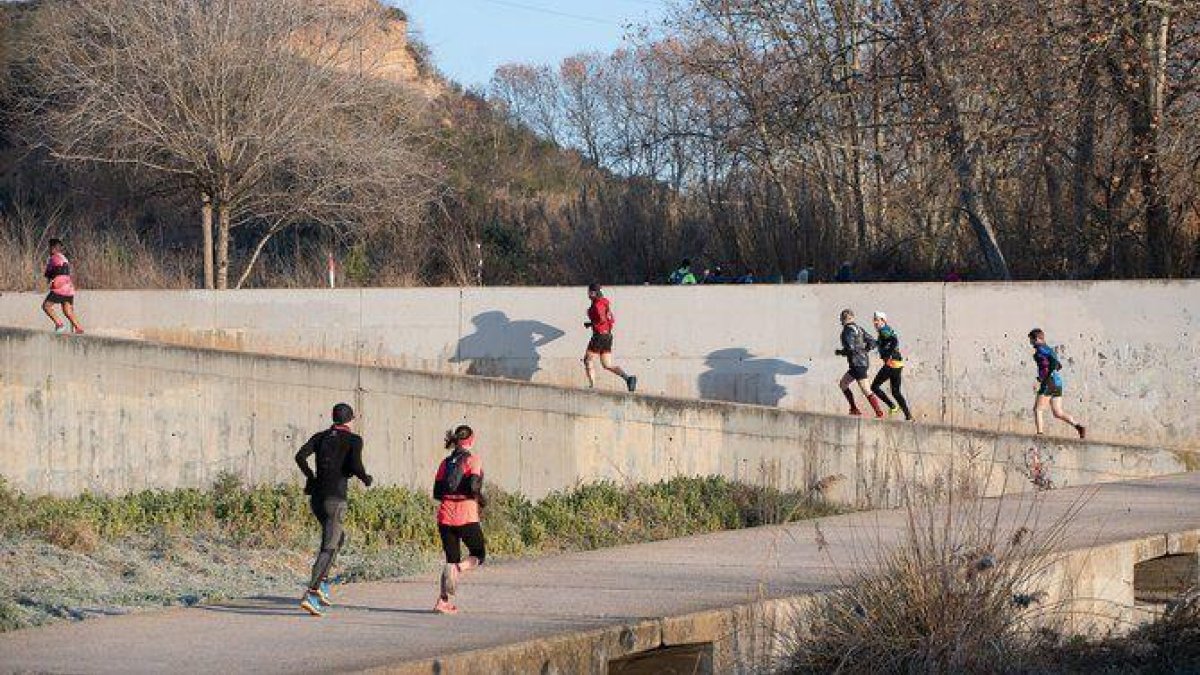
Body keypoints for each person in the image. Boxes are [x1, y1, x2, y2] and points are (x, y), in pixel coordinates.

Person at [294, 402, 373, 616]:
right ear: (350, 419)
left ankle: (323, 583)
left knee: (338, 538)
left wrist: (310, 476)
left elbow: (300, 456)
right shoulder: (354, 440)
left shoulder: (320, 437)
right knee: (329, 546)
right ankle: (311, 592)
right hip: (335, 499)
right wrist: (366, 479)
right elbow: (356, 465)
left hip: (317, 499)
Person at [433, 425, 487, 614]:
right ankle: (459, 567)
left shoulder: (444, 463)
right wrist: (482, 501)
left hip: (445, 515)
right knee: (479, 554)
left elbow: (437, 492)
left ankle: (442, 601)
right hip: (466, 515)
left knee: (450, 559)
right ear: (471, 440)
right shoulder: (473, 460)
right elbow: (473, 487)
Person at [1028, 329, 1086, 439]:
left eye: (1031, 340)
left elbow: (1054, 364)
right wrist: (1044, 374)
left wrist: (1046, 376)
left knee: (1038, 409)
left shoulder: (1041, 350)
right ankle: (1078, 427)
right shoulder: (1050, 350)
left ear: (1037, 339)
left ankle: (1040, 434)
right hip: (1058, 383)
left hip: (1049, 382)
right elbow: (1058, 365)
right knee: (1058, 412)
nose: (1030, 343)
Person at [583, 283, 637, 392]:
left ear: (593, 292)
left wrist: (591, 324)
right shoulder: (605, 304)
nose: (588, 294)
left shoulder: (597, 305)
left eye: (589, 292)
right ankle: (628, 378)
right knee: (607, 365)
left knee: (587, 360)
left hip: (599, 336)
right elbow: (611, 320)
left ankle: (592, 386)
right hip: (608, 336)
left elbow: (602, 320)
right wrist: (594, 323)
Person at [835, 309, 885, 417]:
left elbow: (850, 349)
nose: (841, 321)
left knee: (866, 389)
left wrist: (840, 352)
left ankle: (879, 412)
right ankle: (854, 409)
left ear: (844, 319)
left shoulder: (847, 331)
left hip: (857, 364)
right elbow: (873, 342)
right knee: (843, 384)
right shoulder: (859, 329)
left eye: (842, 318)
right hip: (861, 363)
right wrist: (865, 350)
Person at [869, 311, 913, 421]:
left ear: (883, 320)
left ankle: (892, 406)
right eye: (874, 320)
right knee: (896, 392)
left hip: (891, 364)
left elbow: (894, 341)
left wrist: (887, 354)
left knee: (874, 387)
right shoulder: (886, 330)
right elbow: (887, 342)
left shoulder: (884, 330)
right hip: (898, 364)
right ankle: (908, 415)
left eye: (877, 320)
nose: (875, 322)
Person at [42, 238, 84, 334]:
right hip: (69, 287)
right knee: (67, 310)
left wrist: (50, 281)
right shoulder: (65, 258)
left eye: (49, 248)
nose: (48, 250)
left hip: (59, 286)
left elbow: (48, 273)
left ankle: (59, 324)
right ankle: (78, 328)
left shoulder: (52, 258)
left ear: (53, 248)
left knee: (46, 306)